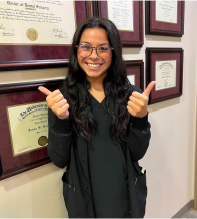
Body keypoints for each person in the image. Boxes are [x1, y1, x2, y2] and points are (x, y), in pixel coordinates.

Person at [38, 17, 155, 218]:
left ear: (114, 52)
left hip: (123, 196)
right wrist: (61, 120)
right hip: (84, 200)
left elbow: (138, 153)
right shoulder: (62, 99)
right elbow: (59, 159)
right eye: (86, 47)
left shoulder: (131, 96)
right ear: (76, 50)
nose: (94, 56)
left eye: (103, 48)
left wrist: (141, 118)